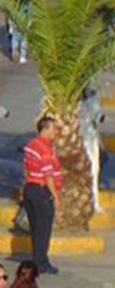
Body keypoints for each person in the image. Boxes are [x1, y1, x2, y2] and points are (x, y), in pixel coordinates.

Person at [22, 116, 61, 276]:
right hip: (41, 191)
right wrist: (55, 196)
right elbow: (48, 175)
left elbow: (26, 168)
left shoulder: (30, 145)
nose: (56, 132)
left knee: (35, 228)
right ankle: (41, 263)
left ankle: (37, 260)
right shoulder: (44, 148)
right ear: (44, 129)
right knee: (43, 229)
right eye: (54, 129)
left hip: (30, 188)